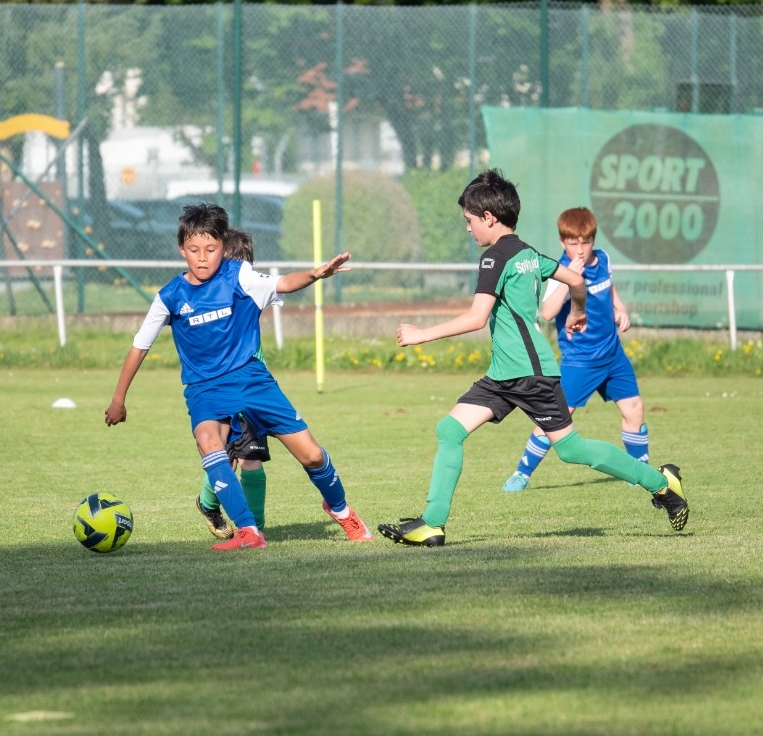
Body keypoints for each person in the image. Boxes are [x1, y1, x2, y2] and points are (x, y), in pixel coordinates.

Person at [378, 169, 688, 546]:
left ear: (489, 217)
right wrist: (578, 312)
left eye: (469, 220)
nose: (468, 228)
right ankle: (432, 523)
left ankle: (661, 483)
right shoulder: (528, 253)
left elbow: (477, 318)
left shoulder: (494, 258)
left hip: (528, 375)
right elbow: (576, 280)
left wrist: (421, 334)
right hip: (505, 374)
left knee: (572, 449)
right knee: (450, 430)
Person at [104, 202, 374, 550]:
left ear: (223, 246)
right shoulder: (169, 296)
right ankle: (249, 531)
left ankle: (340, 510)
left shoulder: (239, 276)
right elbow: (140, 346)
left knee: (311, 456)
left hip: (252, 381)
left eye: (211, 249)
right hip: (205, 389)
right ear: (181, 249)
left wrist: (315, 274)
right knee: (208, 441)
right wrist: (118, 399)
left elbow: (283, 283)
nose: (203, 258)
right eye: (194, 250)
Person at [501, 206, 649, 492]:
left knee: (634, 409)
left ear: (593, 240)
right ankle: (522, 473)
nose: (580, 249)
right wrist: (572, 279)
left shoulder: (603, 259)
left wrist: (620, 309)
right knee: (555, 418)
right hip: (580, 360)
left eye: (586, 242)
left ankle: (640, 471)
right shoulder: (560, 271)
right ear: (562, 242)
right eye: (572, 243)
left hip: (613, 354)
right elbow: (547, 312)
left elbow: (609, 288)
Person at [193, 228, 270, 540]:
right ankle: (208, 503)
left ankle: (255, 528)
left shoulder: (250, 294)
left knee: (252, 458)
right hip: (218, 392)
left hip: (251, 391)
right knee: (224, 460)